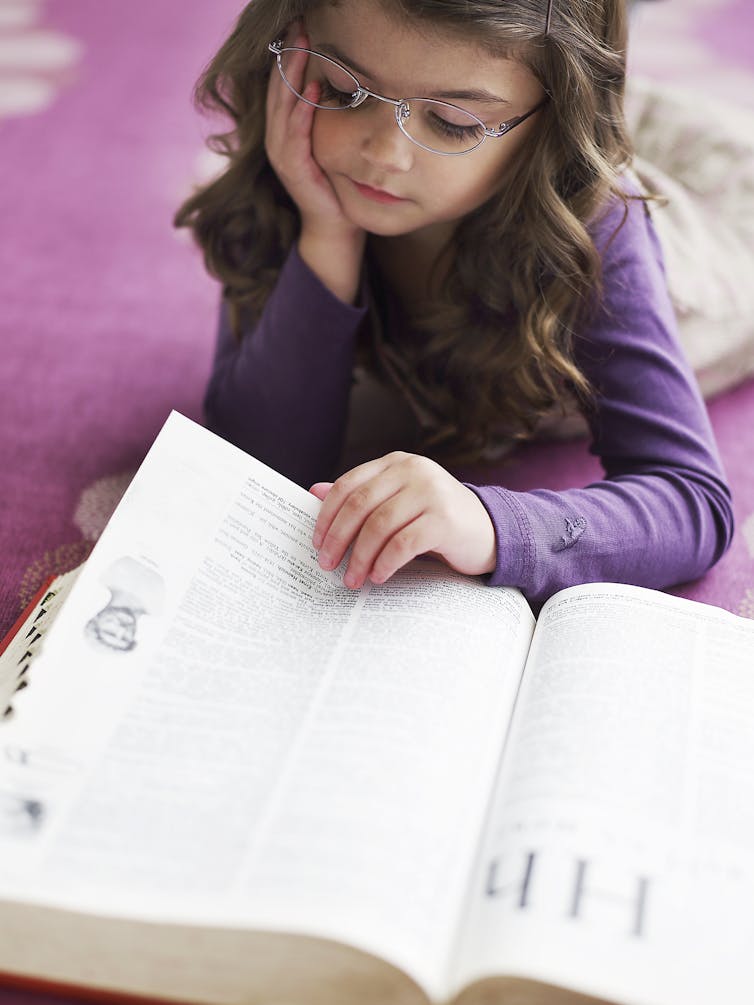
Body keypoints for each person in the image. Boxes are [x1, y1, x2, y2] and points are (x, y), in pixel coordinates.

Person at [175, 0, 734, 605]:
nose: (384, 155)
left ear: (547, 128)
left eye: (453, 122)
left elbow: (693, 503)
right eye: (343, 90)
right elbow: (256, 458)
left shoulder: (603, 231)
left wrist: (489, 523)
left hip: (718, 233)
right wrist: (325, 235)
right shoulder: (294, 165)